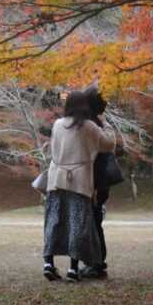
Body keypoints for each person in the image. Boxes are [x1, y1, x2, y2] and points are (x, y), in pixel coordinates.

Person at [42, 90, 116, 283]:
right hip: (80, 181)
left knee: (53, 221)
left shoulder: (57, 124)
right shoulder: (89, 127)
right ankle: (73, 269)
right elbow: (109, 144)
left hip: (56, 179)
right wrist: (105, 122)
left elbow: (53, 150)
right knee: (77, 224)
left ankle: (48, 263)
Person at [81, 84, 113, 279]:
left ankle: (97, 263)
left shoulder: (90, 125)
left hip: (92, 182)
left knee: (92, 223)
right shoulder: (99, 123)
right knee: (93, 222)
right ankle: (94, 262)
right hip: (100, 182)